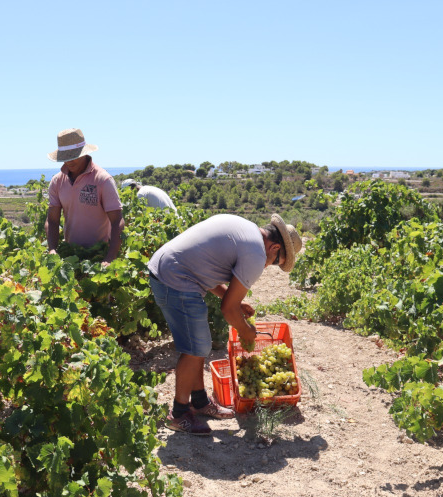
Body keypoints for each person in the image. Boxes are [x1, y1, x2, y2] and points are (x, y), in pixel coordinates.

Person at [148, 213, 303, 434]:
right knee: (195, 347)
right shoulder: (256, 254)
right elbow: (227, 310)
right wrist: (246, 331)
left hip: (172, 270)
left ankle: (200, 401)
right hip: (175, 278)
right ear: (275, 248)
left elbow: (205, 271)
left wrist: (235, 304)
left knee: (199, 342)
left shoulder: (245, 230)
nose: (270, 266)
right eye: (277, 263)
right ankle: (179, 413)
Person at [45, 128, 124, 266]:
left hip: (100, 254)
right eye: (65, 156)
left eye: (73, 155)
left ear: (84, 153)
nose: (69, 161)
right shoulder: (57, 182)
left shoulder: (103, 180)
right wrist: (52, 249)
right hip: (71, 255)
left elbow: (117, 221)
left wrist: (109, 258)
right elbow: (52, 220)